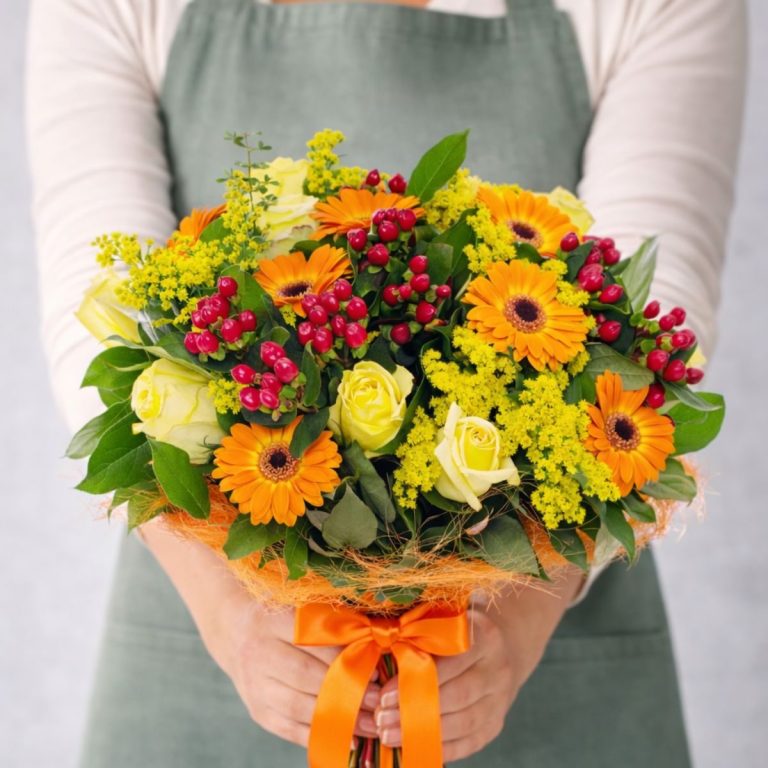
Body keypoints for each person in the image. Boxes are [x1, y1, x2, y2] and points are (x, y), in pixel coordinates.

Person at [26, 0, 746, 765]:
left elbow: (648, 337)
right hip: (205, 623)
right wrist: (231, 618)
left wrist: (518, 627)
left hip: (546, 640)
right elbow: (102, 326)